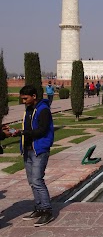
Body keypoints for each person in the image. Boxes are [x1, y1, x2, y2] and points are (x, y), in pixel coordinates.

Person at [13, 85, 55, 226]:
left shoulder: (43, 110)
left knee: (37, 180)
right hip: (28, 150)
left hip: (39, 150)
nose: (24, 101)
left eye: (26, 98)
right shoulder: (29, 110)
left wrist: (23, 133)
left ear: (34, 96)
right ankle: (39, 208)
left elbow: (42, 130)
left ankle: (47, 211)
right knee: (32, 181)